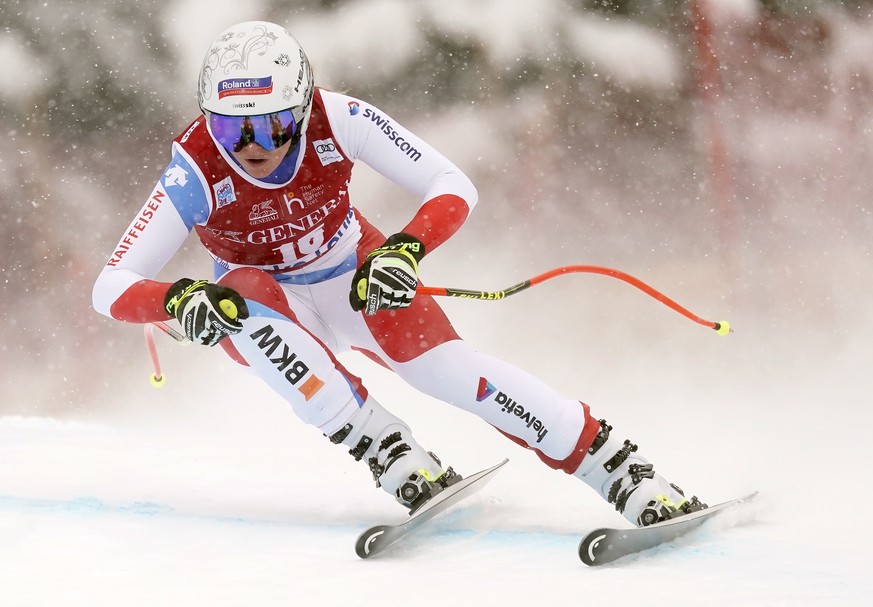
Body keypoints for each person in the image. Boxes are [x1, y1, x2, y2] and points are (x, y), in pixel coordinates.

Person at [93, 21, 706, 525]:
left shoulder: (342, 119)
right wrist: (178, 301)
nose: (252, 144)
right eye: (231, 126)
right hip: (268, 310)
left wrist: (404, 250)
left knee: (454, 375)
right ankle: (391, 453)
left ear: (303, 108)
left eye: (273, 123)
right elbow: (111, 286)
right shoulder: (195, 167)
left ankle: (624, 474)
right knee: (241, 294)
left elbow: (451, 184)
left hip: (353, 278)